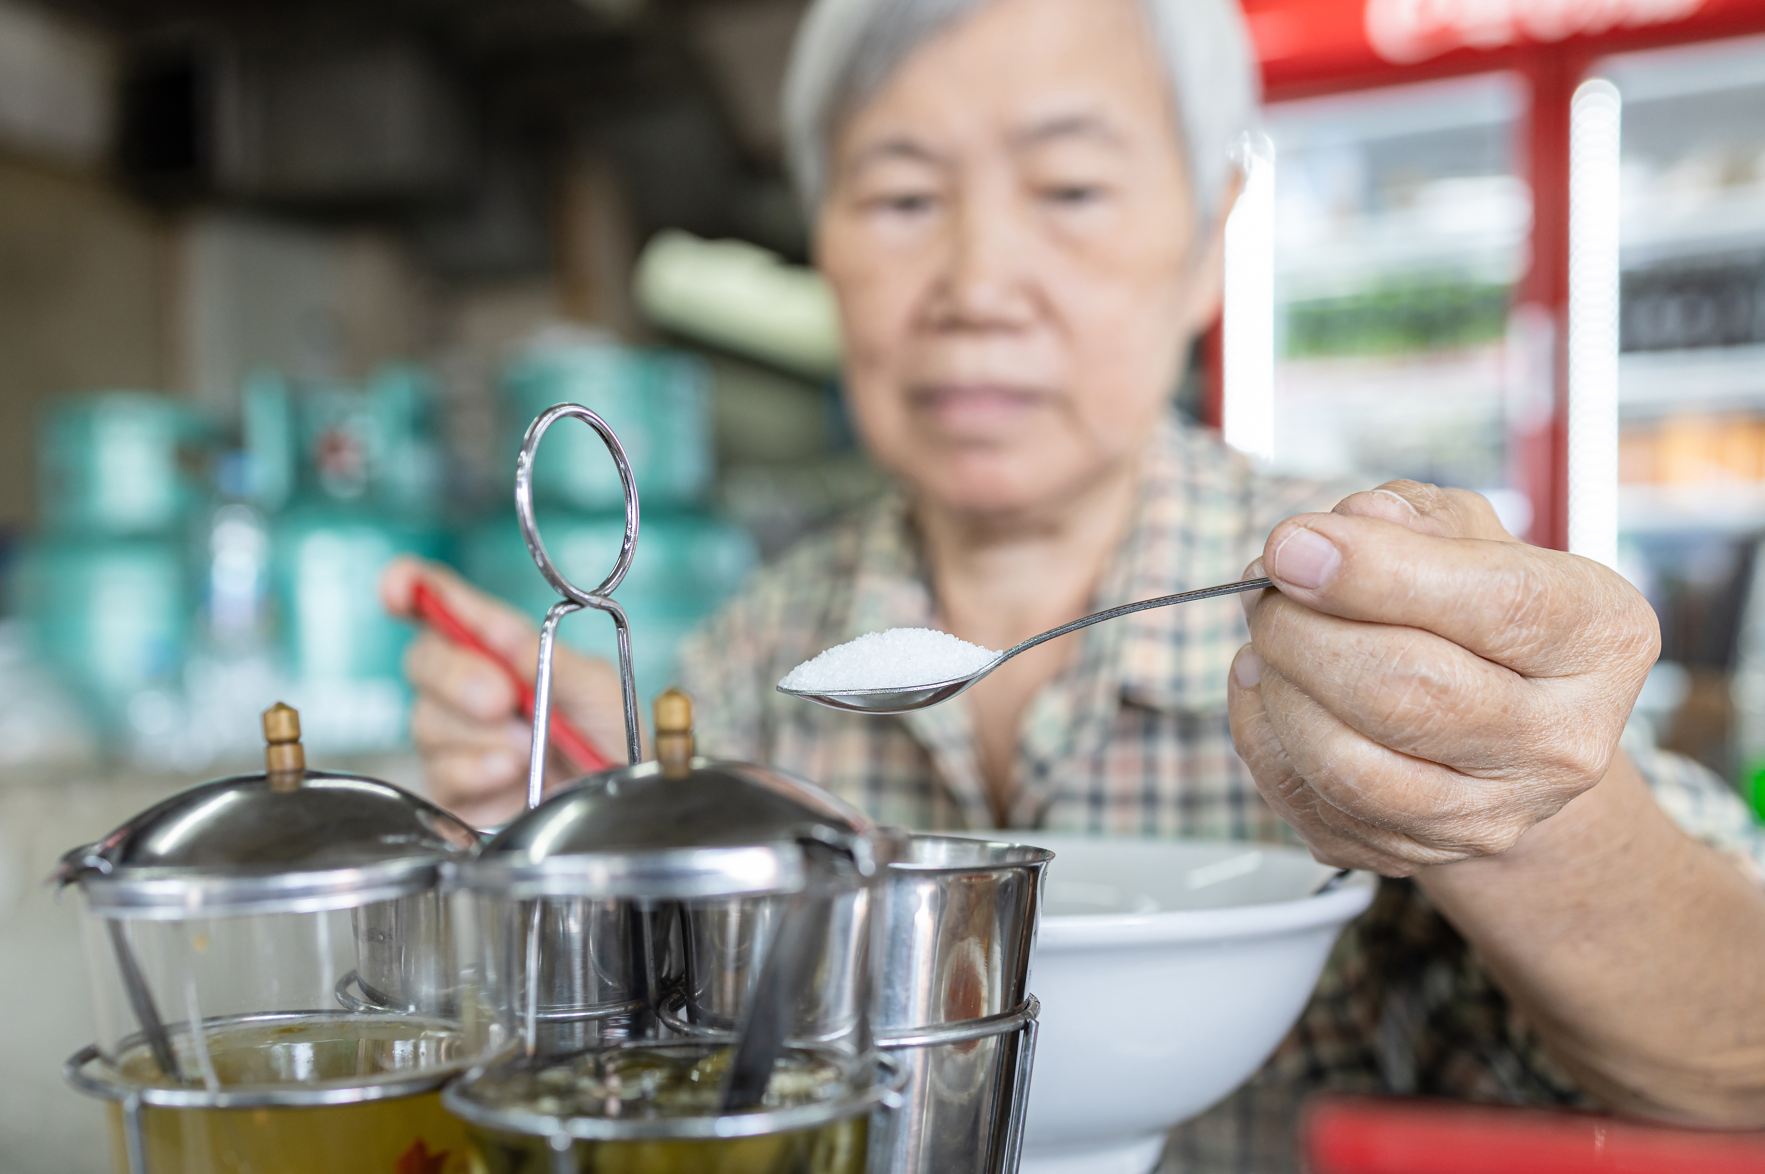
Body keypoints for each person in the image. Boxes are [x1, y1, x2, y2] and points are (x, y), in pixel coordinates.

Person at [383, 0, 1765, 1167]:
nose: (980, 281)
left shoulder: (1363, 607)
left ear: (1211, 235)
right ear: (827, 244)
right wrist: (567, 837)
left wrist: (1521, 811)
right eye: (905, 196)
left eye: (1073, 190)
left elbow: (1738, 1057)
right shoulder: (749, 661)